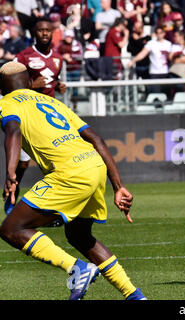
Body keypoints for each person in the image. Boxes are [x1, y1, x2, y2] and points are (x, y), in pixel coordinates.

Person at [0, 61, 147, 301]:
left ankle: (76, 268)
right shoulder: (50, 101)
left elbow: (13, 131)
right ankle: (134, 295)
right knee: (79, 235)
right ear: (28, 82)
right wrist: (118, 186)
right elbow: (96, 138)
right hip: (94, 166)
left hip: (70, 172)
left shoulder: (6, 104)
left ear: (2, 89)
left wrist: (10, 173)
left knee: (12, 229)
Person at [9, 19, 67, 219]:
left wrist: (58, 85)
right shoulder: (24, 56)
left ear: (52, 33)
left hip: (48, 116)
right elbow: (9, 86)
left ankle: (53, 206)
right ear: (35, 32)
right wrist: (32, 86)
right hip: (27, 113)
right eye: (41, 30)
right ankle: (12, 191)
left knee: (54, 162)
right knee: (24, 162)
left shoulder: (58, 58)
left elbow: (52, 81)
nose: (44, 33)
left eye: (47, 30)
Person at [128, 26, 171, 96]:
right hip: (154, 73)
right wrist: (133, 60)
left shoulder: (168, 44)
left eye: (161, 33)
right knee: (156, 94)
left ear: (164, 33)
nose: (159, 35)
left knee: (166, 94)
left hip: (165, 72)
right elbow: (142, 54)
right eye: (157, 33)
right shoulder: (151, 43)